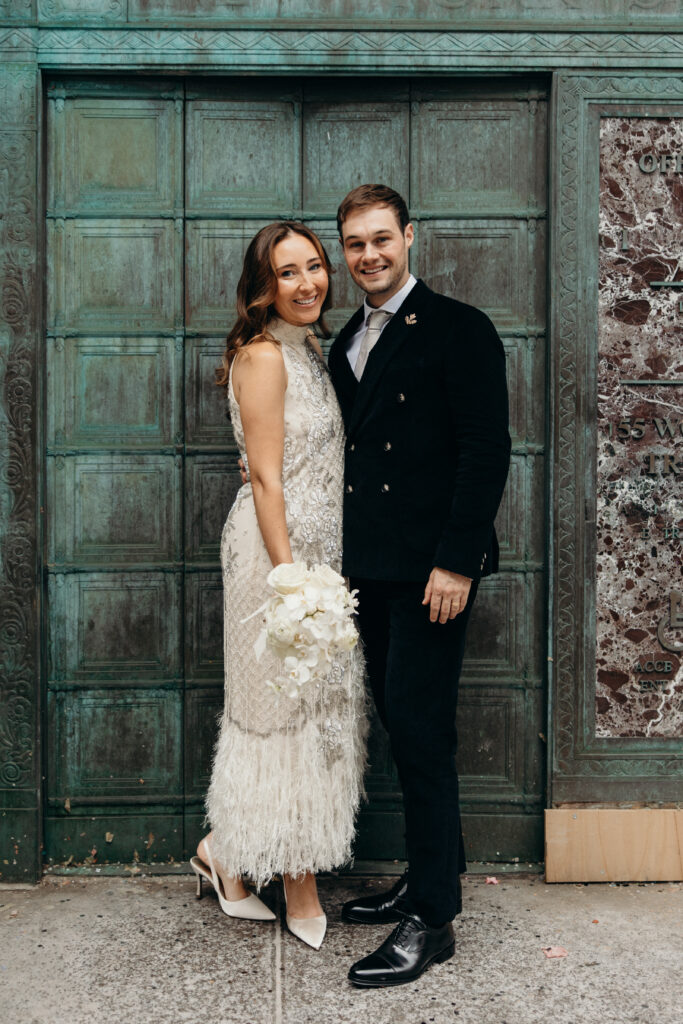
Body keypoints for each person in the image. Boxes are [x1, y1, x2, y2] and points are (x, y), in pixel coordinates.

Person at [327, 184, 511, 987]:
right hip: (371, 569)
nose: (368, 255)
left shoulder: (458, 328)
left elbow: (485, 449)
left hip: (432, 573)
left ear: (409, 237)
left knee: (421, 731)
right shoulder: (347, 338)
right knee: (405, 729)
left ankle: (431, 919)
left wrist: (457, 561)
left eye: (381, 238)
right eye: (354, 244)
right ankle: (428, 873)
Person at [193, 222, 367, 951]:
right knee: (281, 710)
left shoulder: (312, 349)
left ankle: (223, 853)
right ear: (263, 287)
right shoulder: (264, 356)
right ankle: (298, 880)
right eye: (287, 272)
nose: (306, 283)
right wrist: (290, 578)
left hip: (323, 557)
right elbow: (266, 479)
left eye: (314, 266)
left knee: (319, 707)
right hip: (277, 560)